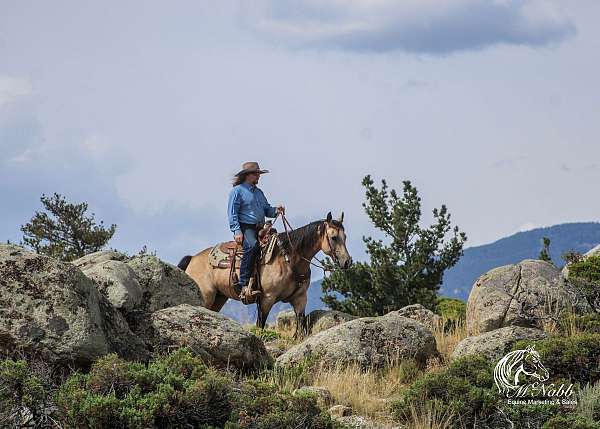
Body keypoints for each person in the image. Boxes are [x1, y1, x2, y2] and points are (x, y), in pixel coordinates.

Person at [227, 161, 284, 296]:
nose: (259, 176)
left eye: (259, 173)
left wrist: (276, 210)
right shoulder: (237, 191)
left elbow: (267, 210)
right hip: (246, 227)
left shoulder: (259, 193)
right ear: (248, 175)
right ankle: (243, 283)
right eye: (256, 174)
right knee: (252, 246)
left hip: (260, 227)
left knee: (278, 244)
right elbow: (232, 212)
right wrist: (237, 231)